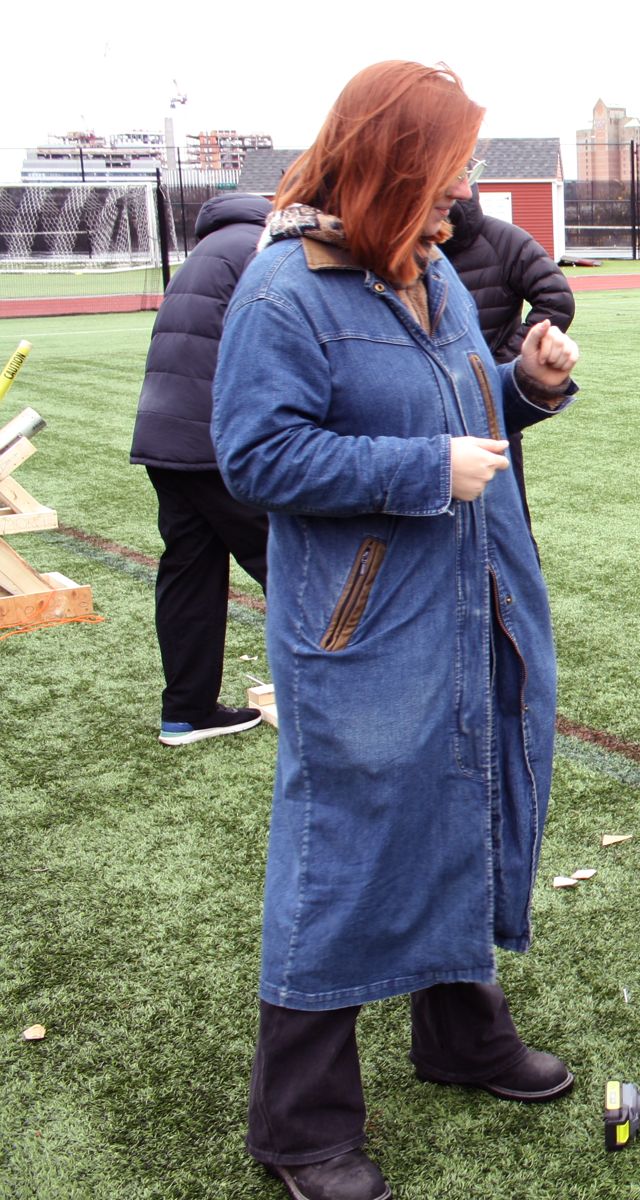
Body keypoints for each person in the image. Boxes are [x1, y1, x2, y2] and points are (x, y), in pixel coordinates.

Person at [212, 62, 580, 1200]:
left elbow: (464, 412)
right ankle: (302, 1125)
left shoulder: (431, 277)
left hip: (474, 599)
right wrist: (425, 468)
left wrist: (525, 382)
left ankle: (460, 1035)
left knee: (456, 796)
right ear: (393, 163)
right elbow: (255, 455)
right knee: (344, 846)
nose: (464, 191)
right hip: (362, 630)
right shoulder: (284, 292)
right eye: (452, 166)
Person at [130, 192, 273, 746]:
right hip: (215, 441)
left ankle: (186, 712)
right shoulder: (259, 249)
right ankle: (347, 698)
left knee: (190, 570)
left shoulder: (208, 249)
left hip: (164, 437)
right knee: (296, 564)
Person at [440, 183, 575, 522]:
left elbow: (555, 298)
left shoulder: (504, 239)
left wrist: (503, 362)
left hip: (490, 401)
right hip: (431, 406)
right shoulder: (407, 247)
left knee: (505, 521)